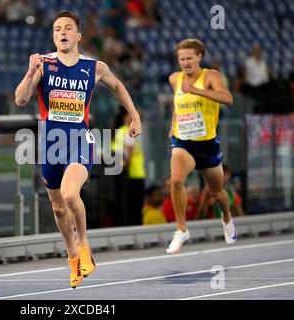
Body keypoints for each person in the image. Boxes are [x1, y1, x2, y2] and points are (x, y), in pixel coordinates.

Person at [14, 11, 142, 288]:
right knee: (58, 208)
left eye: (68, 28)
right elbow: (21, 99)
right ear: (53, 36)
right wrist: (29, 72)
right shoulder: (44, 65)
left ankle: (84, 245)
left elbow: (118, 87)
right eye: (57, 28)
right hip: (50, 144)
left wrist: (135, 116)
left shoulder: (94, 67)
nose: (62, 32)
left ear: (78, 35)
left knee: (71, 194)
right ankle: (73, 258)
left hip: (79, 141)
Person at [166, 38, 237, 254]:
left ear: (199, 57)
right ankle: (181, 230)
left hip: (207, 144)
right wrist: (172, 125)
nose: (185, 63)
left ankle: (226, 217)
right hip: (183, 142)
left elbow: (228, 99)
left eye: (189, 58)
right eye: (181, 59)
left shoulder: (211, 76)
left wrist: (197, 91)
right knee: (177, 181)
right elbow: (178, 105)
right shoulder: (174, 79)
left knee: (218, 194)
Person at [111, 106, 146, 226]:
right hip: (134, 175)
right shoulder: (129, 131)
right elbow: (129, 156)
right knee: (135, 209)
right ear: (127, 116)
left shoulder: (118, 132)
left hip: (122, 177)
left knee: (126, 209)